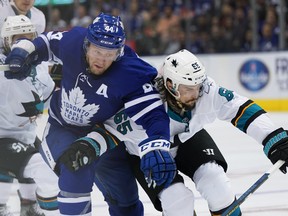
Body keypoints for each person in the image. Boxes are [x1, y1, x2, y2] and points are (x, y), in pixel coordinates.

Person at [4, 13, 177, 216]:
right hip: (64, 128)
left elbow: (154, 115)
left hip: (104, 136)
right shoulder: (74, 41)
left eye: (109, 53)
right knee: (75, 172)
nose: (102, 60)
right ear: (87, 44)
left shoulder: (132, 71)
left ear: (120, 52)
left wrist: (158, 144)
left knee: (125, 202)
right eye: (97, 51)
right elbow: (44, 42)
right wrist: (22, 53)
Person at [102, 49, 288, 216]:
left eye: (198, 87)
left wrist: (274, 138)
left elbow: (240, 108)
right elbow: (109, 130)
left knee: (217, 184)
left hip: (189, 140)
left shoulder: (205, 89)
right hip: (149, 153)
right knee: (177, 202)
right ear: (170, 84)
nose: (196, 93)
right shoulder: (143, 100)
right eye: (188, 89)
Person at [0, 15, 59, 216]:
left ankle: (29, 210)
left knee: (45, 167)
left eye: (28, 38)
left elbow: (52, 100)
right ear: (7, 41)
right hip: (2, 137)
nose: (24, 44)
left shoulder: (40, 67)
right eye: (18, 39)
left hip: (26, 134)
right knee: (45, 173)